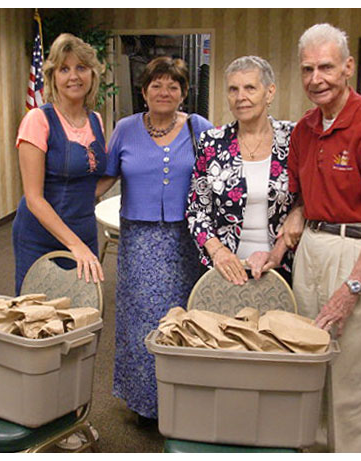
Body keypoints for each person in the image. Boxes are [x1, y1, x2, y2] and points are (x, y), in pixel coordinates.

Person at [281, 23, 361, 452]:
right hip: (311, 250)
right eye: (307, 69)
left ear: (348, 67)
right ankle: (311, 444)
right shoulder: (304, 128)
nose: (316, 78)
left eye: (326, 67)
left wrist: (352, 287)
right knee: (307, 359)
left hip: (356, 250)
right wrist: (297, 214)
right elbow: (300, 196)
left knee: (351, 369)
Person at [99, 56, 213, 424]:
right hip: (139, 242)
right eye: (157, 85)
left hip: (186, 242)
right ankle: (145, 402)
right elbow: (103, 179)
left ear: (183, 93)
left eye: (173, 85)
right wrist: (62, 201)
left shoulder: (199, 127)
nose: (165, 92)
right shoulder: (125, 128)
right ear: (144, 90)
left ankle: (185, 400)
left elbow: (223, 177)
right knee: (140, 321)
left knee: (184, 318)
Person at [12, 33, 107, 296]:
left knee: (85, 308)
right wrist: (75, 245)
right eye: (64, 69)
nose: (74, 76)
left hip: (84, 229)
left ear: (92, 74)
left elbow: (91, 183)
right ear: (53, 76)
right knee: (39, 315)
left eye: (81, 68)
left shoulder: (96, 120)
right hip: (40, 236)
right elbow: (34, 199)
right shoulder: (38, 120)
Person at [186, 56, 295, 286]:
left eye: (250, 88)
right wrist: (218, 252)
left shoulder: (293, 138)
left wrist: (279, 249)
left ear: (270, 92)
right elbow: (197, 211)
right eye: (233, 89)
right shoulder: (212, 142)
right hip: (224, 270)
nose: (240, 97)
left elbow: (309, 196)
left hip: (282, 266)